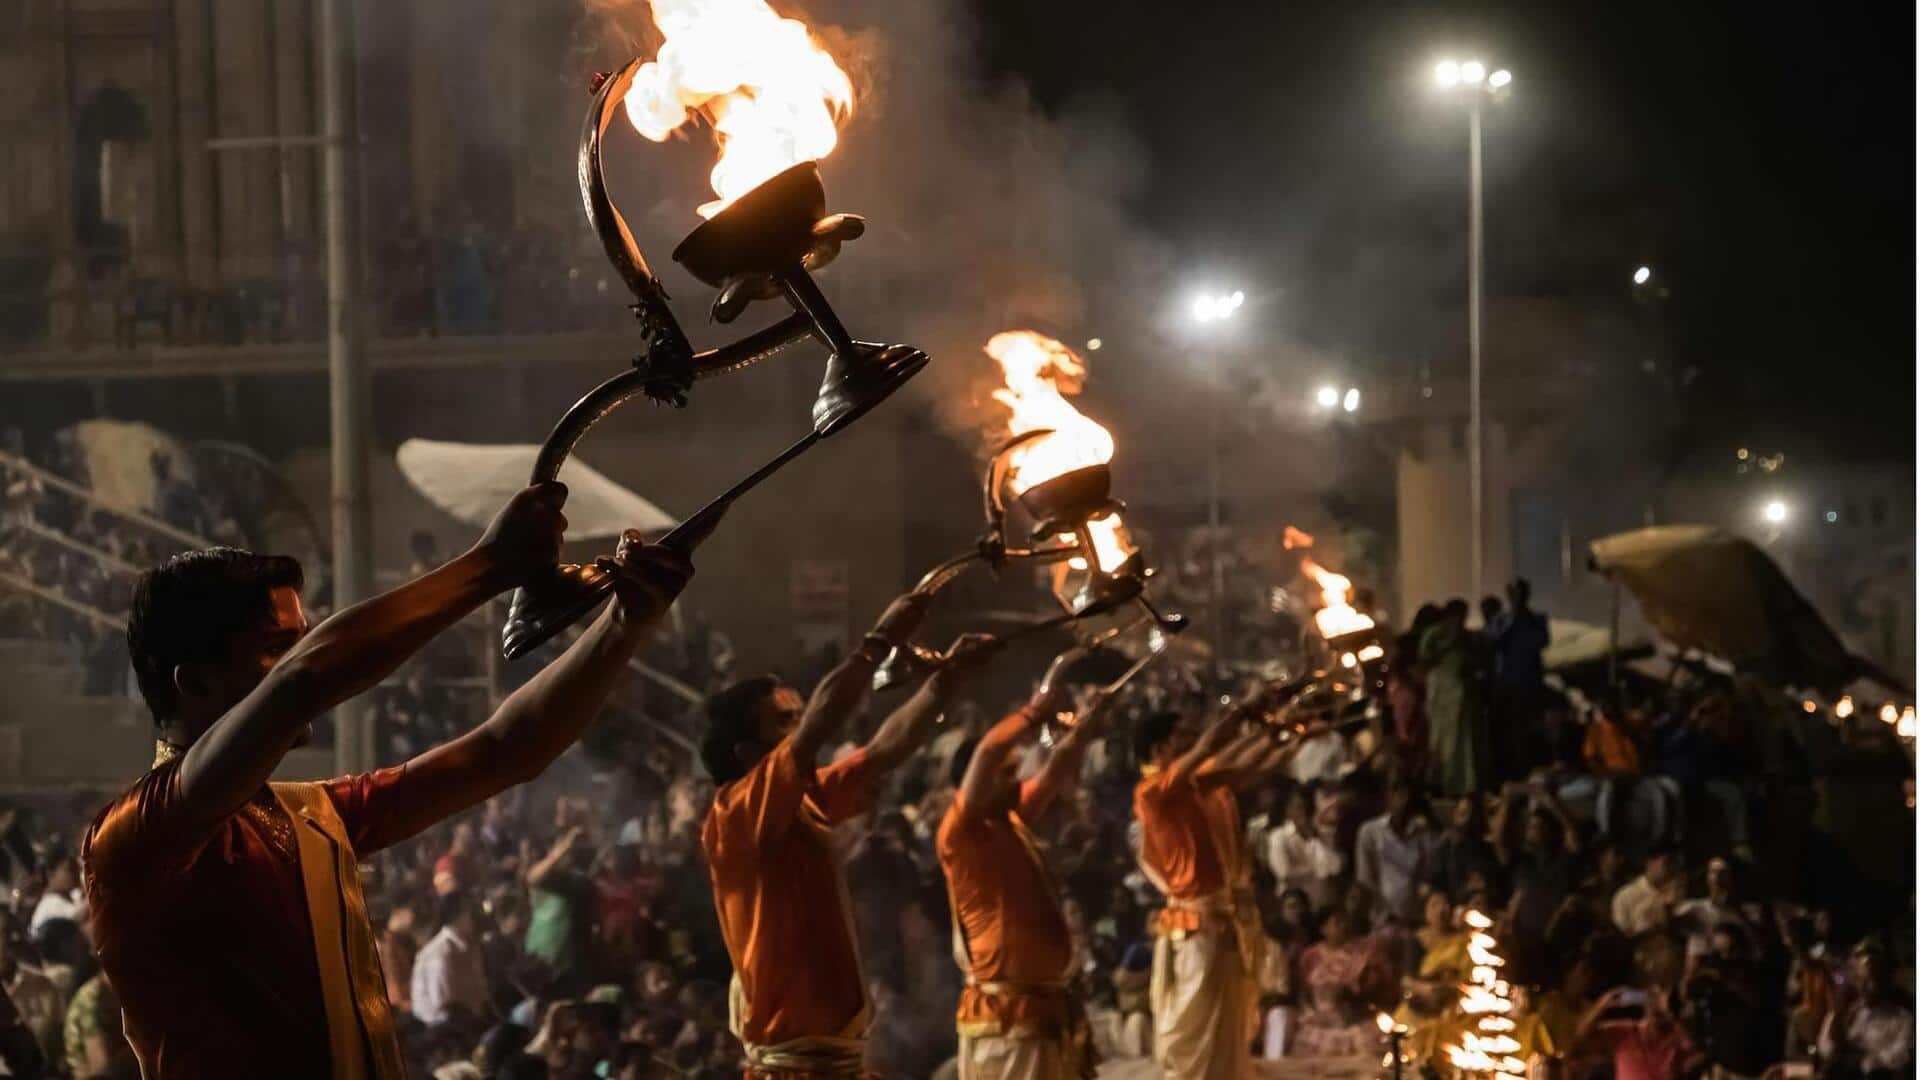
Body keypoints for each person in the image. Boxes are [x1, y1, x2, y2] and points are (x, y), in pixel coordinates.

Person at [82, 486, 693, 1078]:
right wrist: (486, 566)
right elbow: (307, 680)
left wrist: (625, 622)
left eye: (301, 642)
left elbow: (506, 749)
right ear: (196, 683)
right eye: (277, 647)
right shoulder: (138, 835)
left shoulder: (311, 816)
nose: (301, 657)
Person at [699, 585, 997, 1079]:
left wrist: (948, 679)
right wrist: (879, 640)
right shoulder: (735, 815)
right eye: (783, 722)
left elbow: (884, 750)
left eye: (798, 717)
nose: (800, 730)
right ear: (746, 754)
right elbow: (821, 724)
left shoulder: (804, 798)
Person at [938, 670, 1114, 1080]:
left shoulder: (1010, 819)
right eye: (1007, 772)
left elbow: (1057, 768)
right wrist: (1034, 712)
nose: (1016, 780)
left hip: (1046, 1006)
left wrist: (1090, 723)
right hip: (1007, 1015)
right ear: (974, 785)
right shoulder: (960, 834)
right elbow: (984, 755)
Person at [1133, 703, 1299, 1080]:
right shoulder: (1152, 792)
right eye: (1179, 737)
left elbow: (1245, 768)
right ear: (1159, 750)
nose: (1189, 741)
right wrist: (1247, 711)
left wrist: (1284, 733)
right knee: (1200, 1021)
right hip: (1196, 921)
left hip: (1220, 918)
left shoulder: (1191, 785)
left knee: (1225, 1020)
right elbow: (1210, 747)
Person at [1420, 599, 1488, 796]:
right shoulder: (1435, 635)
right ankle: (1448, 785)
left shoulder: (1469, 637)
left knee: (1465, 742)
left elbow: (1477, 660)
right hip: (1441, 695)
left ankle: (1468, 786)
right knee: (1444, 742)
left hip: (1463, 695)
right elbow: (1425, 661)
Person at [1817, 941, 1915, 1076]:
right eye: (1859, 979)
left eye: (1870, 980)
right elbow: (1825, 1049)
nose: (1863, 987)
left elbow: (1899, 1059)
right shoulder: (1850, 1012)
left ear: (1884, 979)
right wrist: (1836, 1014)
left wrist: (1864, 1061)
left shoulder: (1903, 1019)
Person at [1353, 776, 1434, 928]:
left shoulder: (1423, 832)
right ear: (1388, 797)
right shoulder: (1370, 831)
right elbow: (1365, 878)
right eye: (1397, 794)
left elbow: (1427, 873)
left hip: (1415, 919)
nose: (1402, 801)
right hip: (1382, 918)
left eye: (1406, 795)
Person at [1574, 985, 1704, 1080]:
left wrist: (1677, 1017)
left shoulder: (1676, 1041)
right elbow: (1581, 1038)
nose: (1656, 1006)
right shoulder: (1626, 1032)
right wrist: (1602, 1005)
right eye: (1653, 999)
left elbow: (1699, 1052)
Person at [412, 893, 491, 1027]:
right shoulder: (441, 955)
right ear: (457, 917)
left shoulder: (472, 945)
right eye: (473, 911)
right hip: (444, 1031)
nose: (479, 916)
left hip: (472, 1022)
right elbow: (446, 1009)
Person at [1264, 783, 1343, 912]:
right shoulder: (1278, 836)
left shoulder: (1322, 834)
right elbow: (1284, 873)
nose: (1305, 813)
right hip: (1296, 909)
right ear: (1289, 810)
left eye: (1309, 808)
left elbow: (1335, 868)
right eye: (1299, 808)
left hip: (1323, 906)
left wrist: (1315, 839)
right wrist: (1318, 870)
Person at [1611, 847, 1684, 939]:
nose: (1670, 868)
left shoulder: (1679, 892)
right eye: (1666, 863)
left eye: (1672, 863)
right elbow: (1621, 934)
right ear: (1650, 863)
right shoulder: (1625, 895)